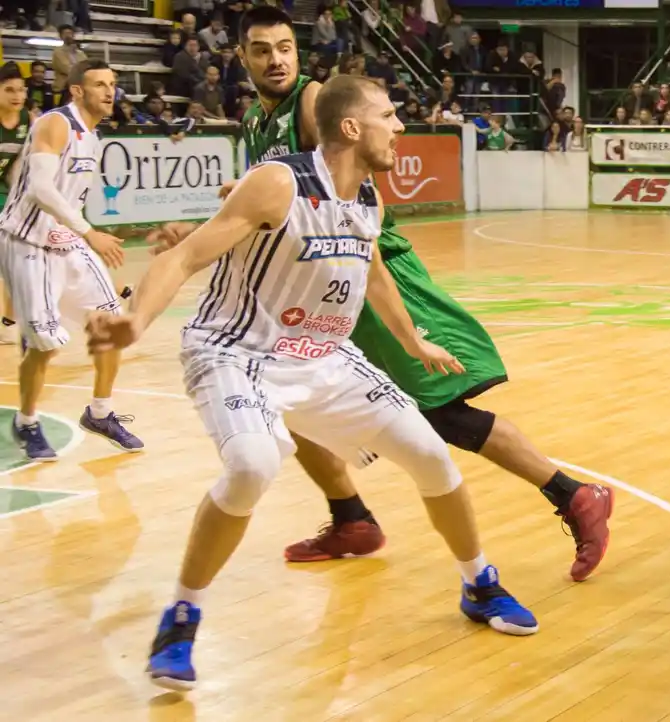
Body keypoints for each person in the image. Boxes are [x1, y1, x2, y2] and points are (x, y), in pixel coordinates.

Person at [88, 75, 540, 691]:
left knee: (434, 458)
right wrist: (135, 320)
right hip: (237, 351)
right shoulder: (280, 182)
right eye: (390, 114)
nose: (401, 125)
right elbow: (184, 255)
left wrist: (414, 342)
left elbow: (375, 275)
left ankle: (479, 583)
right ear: (352, 128)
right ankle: (182, 615)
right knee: (251, 465)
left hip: (322, 358)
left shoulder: (368, 199)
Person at [150, 7, 614, 580]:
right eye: (262, 50)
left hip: (363, 266)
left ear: (299, 54)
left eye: (286, 48)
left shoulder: (314, 99)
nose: (277, 60)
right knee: (285, 385)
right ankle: (350, 516)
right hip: (313, 275)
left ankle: (572, 495)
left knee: (440, 416)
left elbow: (334, 185)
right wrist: (202, 224)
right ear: (240, 58)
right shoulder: (253, 121)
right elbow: (269, 208)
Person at [0, 59, 142, 460]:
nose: (109, 91)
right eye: (99, 84)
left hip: (66, 241)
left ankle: (100, 412)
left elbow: (64, 194)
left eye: (113, 84)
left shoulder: (92, 136)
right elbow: (41, 188)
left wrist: (83, 232)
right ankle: (26, 421)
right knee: (45, 345)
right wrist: (89, 231)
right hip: (26, 242)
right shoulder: (55, 123)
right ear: (77, 90)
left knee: (111, 325)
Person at [0, 62, 30, 345]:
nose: (16, 95)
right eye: (9, 90)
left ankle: (8, 323)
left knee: (14, 256)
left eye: (20, 90)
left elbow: (18, 165)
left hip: (3, 192)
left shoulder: (25, 119)